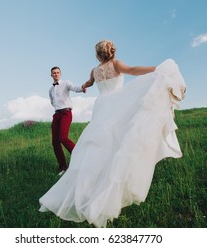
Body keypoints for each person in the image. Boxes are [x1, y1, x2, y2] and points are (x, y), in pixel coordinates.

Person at [40, 40, 186, 227]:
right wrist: (155, 69)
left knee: (98, 143)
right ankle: (109, 181)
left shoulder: (94, 70)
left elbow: (89, 83)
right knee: (116, 140)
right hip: (116, 103)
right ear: (111, 51)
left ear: (97, 54)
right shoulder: (116, 64)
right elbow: (132, 70)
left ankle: (92, 180)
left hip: (102, 105)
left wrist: (84, 86)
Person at [49, 66, 85, 176]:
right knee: (55, 142)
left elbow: (74, 88)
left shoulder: (66, 83)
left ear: (60, 74)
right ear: (51, 75)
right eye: (54, 73)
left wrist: (82, 88)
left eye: (57, 72)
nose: (56, 74)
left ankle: (80, 157)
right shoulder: (50, 89)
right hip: (57, 114)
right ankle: (62, 166)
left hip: (66, 113)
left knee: (63, 137)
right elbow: (52, 101)